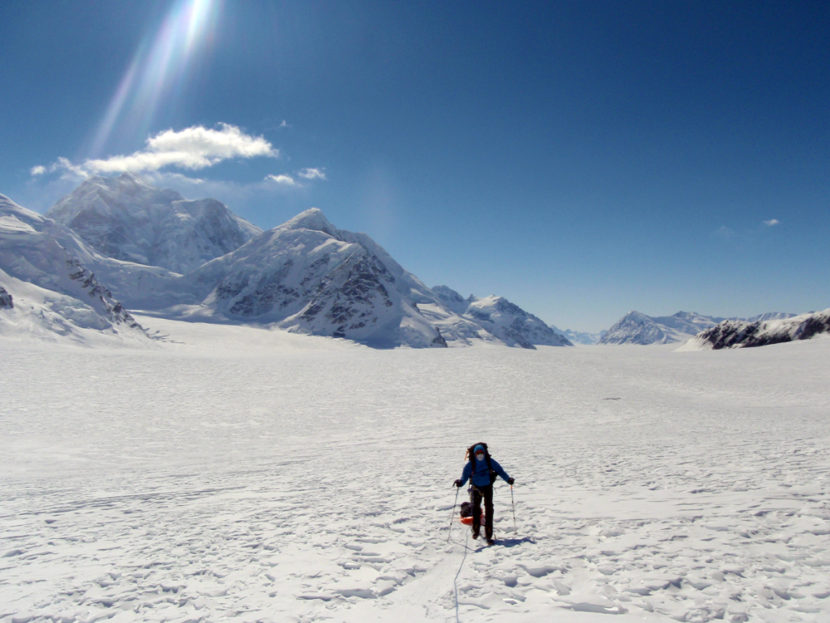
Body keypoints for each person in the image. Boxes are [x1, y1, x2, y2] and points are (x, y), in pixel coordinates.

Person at [454, 442, 514, 545]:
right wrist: (460, 482)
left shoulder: (489, 461)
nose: (480, 454)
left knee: (489, 509)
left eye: (482, 452)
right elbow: (464, 477)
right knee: (476, 509)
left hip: (487, 488)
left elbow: (500, 471)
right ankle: (476, 531)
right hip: (476, 488)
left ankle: (488, 535)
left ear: (485, 453)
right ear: (475, 454)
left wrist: (508, 479)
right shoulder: (470, 464)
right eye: (478, 453)